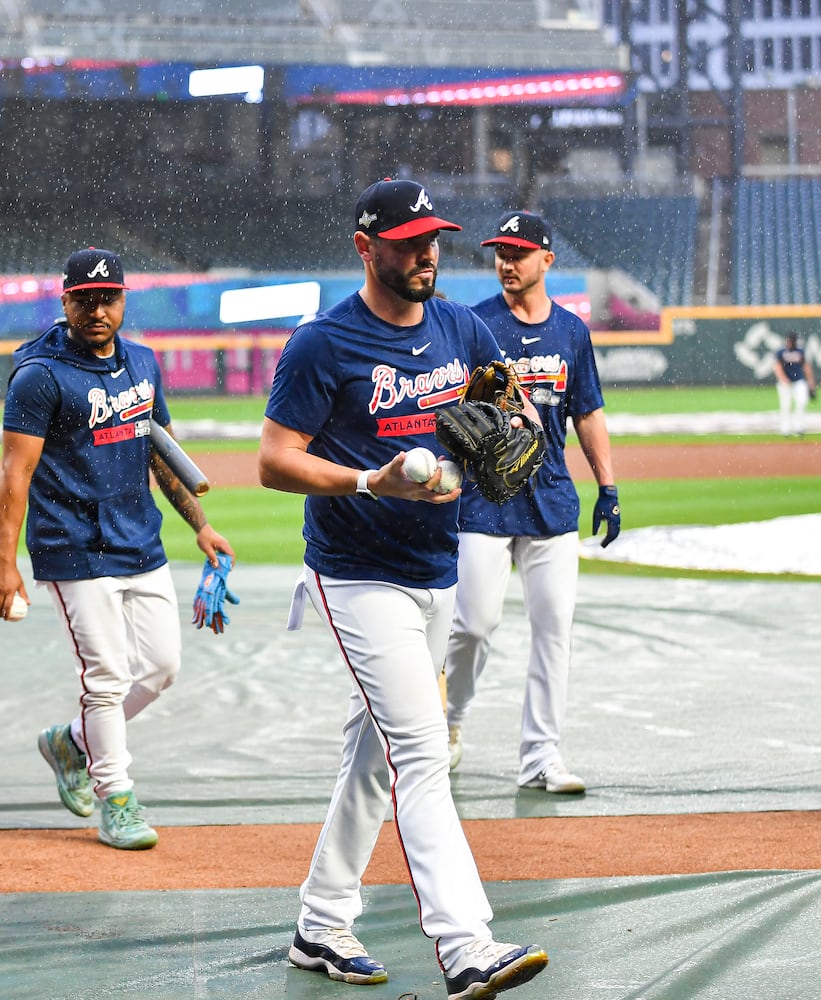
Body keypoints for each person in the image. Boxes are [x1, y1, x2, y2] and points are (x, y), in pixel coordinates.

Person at [259, 178, 549, 998]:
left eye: (434, 238)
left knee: (372, 755)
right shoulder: (324, 343)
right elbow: (274, 460)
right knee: (421, 746)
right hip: (356, 574)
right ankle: (466, 946)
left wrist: (513, 423)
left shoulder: (460, 325)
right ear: (365, 247)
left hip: (436, 568)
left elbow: (511, 403)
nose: (428, 253)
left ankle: (319, 923)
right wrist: (366, 481)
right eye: (408, 240)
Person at [0, 247, 234, 851]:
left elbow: (163, 453)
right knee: (106, 677)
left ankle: (71, 742)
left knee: (161, 669)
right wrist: (4, 561)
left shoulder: (142, 364)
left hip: (139, 540)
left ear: (123, 300)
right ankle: (116, 796)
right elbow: (14, 474)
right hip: (72, 546)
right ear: (65, 300)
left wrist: (200, 525)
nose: (98, 309)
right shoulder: (39, 375)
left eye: (109, 298)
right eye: (85, 298)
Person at [443, 211, 618, 793]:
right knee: (473, 624)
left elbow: (588, 412)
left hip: (550, 501)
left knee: (554, 629)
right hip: (484, 500)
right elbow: (447, 412)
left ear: (547, 259)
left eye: (518, 252)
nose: (506, 261)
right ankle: (449, 719)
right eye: (500, 251)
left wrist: (608, 486)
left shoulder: (571, 332)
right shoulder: (474, 327)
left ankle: (541, 755)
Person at [773, 331, 816, 437]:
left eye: (792, 340)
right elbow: (777, 367)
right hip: (785, 383)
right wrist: (783, 378)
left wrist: (811, 382)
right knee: (786, 406)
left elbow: (806, 367)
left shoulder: (800, 351)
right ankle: (785, 429)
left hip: (799, 381)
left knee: (801, 402)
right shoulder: (781, 352)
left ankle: (799, 427)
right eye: (789, 340)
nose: (790, 342)